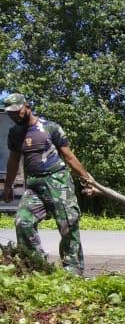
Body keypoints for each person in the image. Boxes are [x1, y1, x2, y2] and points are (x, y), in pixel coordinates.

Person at [3, 93, 97, 275]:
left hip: (58, 181)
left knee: (68, 224)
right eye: (10, 114)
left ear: (27, 106)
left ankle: (73, 271)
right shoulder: (15, 133)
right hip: (34, 185)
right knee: (23, 222)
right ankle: (36, 266)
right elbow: (13, 161)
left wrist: (87, 180)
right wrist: (8, 186)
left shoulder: (50, 127)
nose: (15, 116)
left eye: (17, 111)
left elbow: (69, 157)